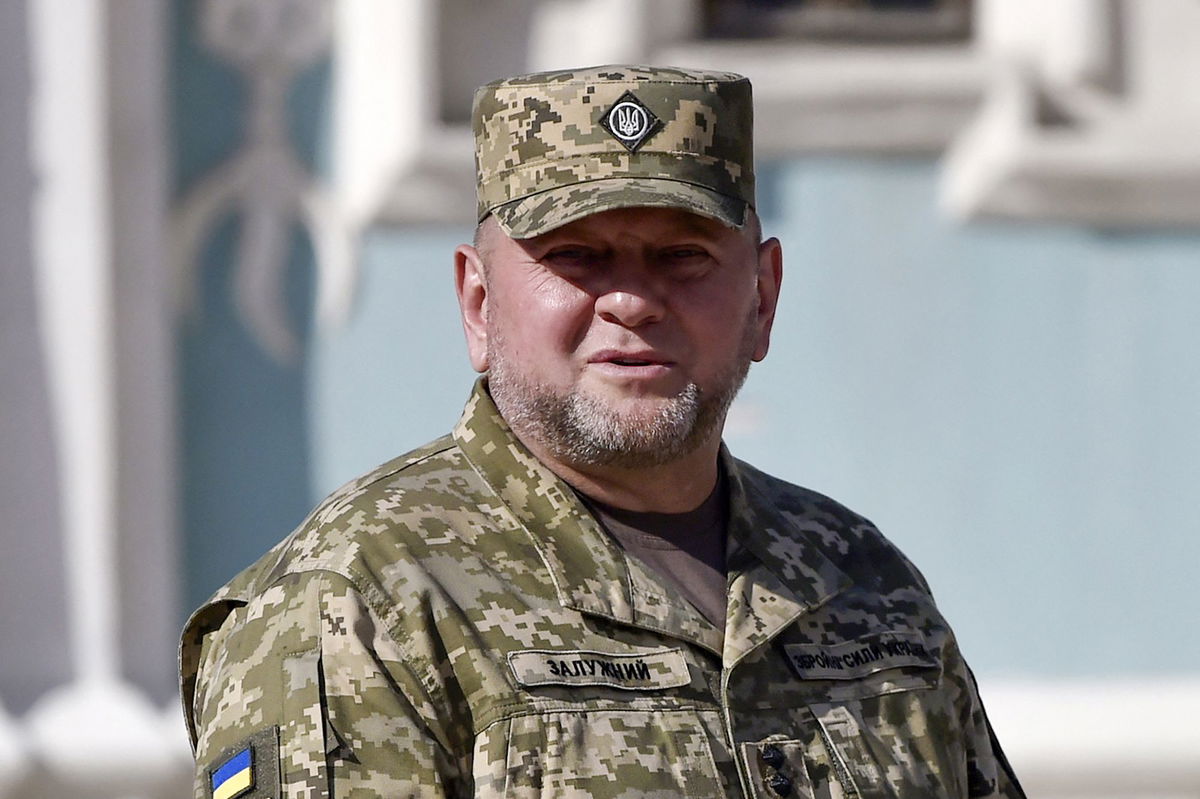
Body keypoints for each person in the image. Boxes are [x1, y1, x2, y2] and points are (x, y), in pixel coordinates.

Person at [181, 64, 1024, 799]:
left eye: (683, 255)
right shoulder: (359, 602)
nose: (631, 300)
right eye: (577, 257)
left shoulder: (860, 583)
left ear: (763, 297)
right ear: (478, 302)